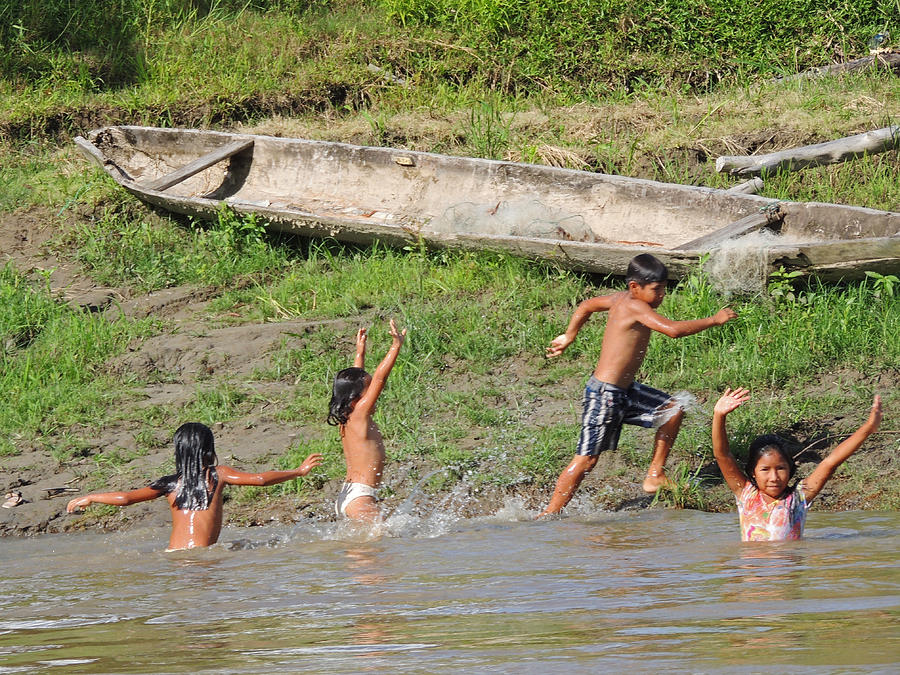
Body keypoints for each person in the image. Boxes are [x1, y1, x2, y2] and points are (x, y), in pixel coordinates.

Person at [539, 253, 737, 516]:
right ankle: (549, 514)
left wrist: (570, 335)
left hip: (623, 390)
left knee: (673, 409)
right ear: (635, 287)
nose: (661, 296)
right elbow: (673, 330)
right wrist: (714, 320)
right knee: (586, 459)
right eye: (656, 290)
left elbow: (586, 305)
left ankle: (655, 475)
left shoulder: (619, 298)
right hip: (604, 395)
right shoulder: (635, 306)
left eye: (664, 290)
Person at [67, 422, 322, 550]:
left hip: (172, 555)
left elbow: (126, 498)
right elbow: (260, 480)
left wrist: (91, 497)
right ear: (209, 450)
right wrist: (298, 471)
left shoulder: (169, 484)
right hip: (201, 558)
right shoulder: (218, 474)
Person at [713, 387, 882, 541]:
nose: (774, 477)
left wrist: (868, 428)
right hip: (753, 573)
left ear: (790, 468)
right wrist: (719, 415)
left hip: (787, 573)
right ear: (753, 471)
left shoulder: (798, 497)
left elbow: (831, 461)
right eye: (765, 469)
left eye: (781, 468)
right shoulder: (746, 494)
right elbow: (723, 455)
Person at [328, 319, 406, 522]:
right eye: (368, 390)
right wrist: (395, 347)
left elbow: (359, 379)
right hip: (360, 497)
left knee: (365, 549)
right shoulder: (360, 412)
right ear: (357, 397)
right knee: (387, 538)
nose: (372, 394)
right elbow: (380, 378)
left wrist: (360, 353)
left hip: (348, 495)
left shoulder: (347, 417)